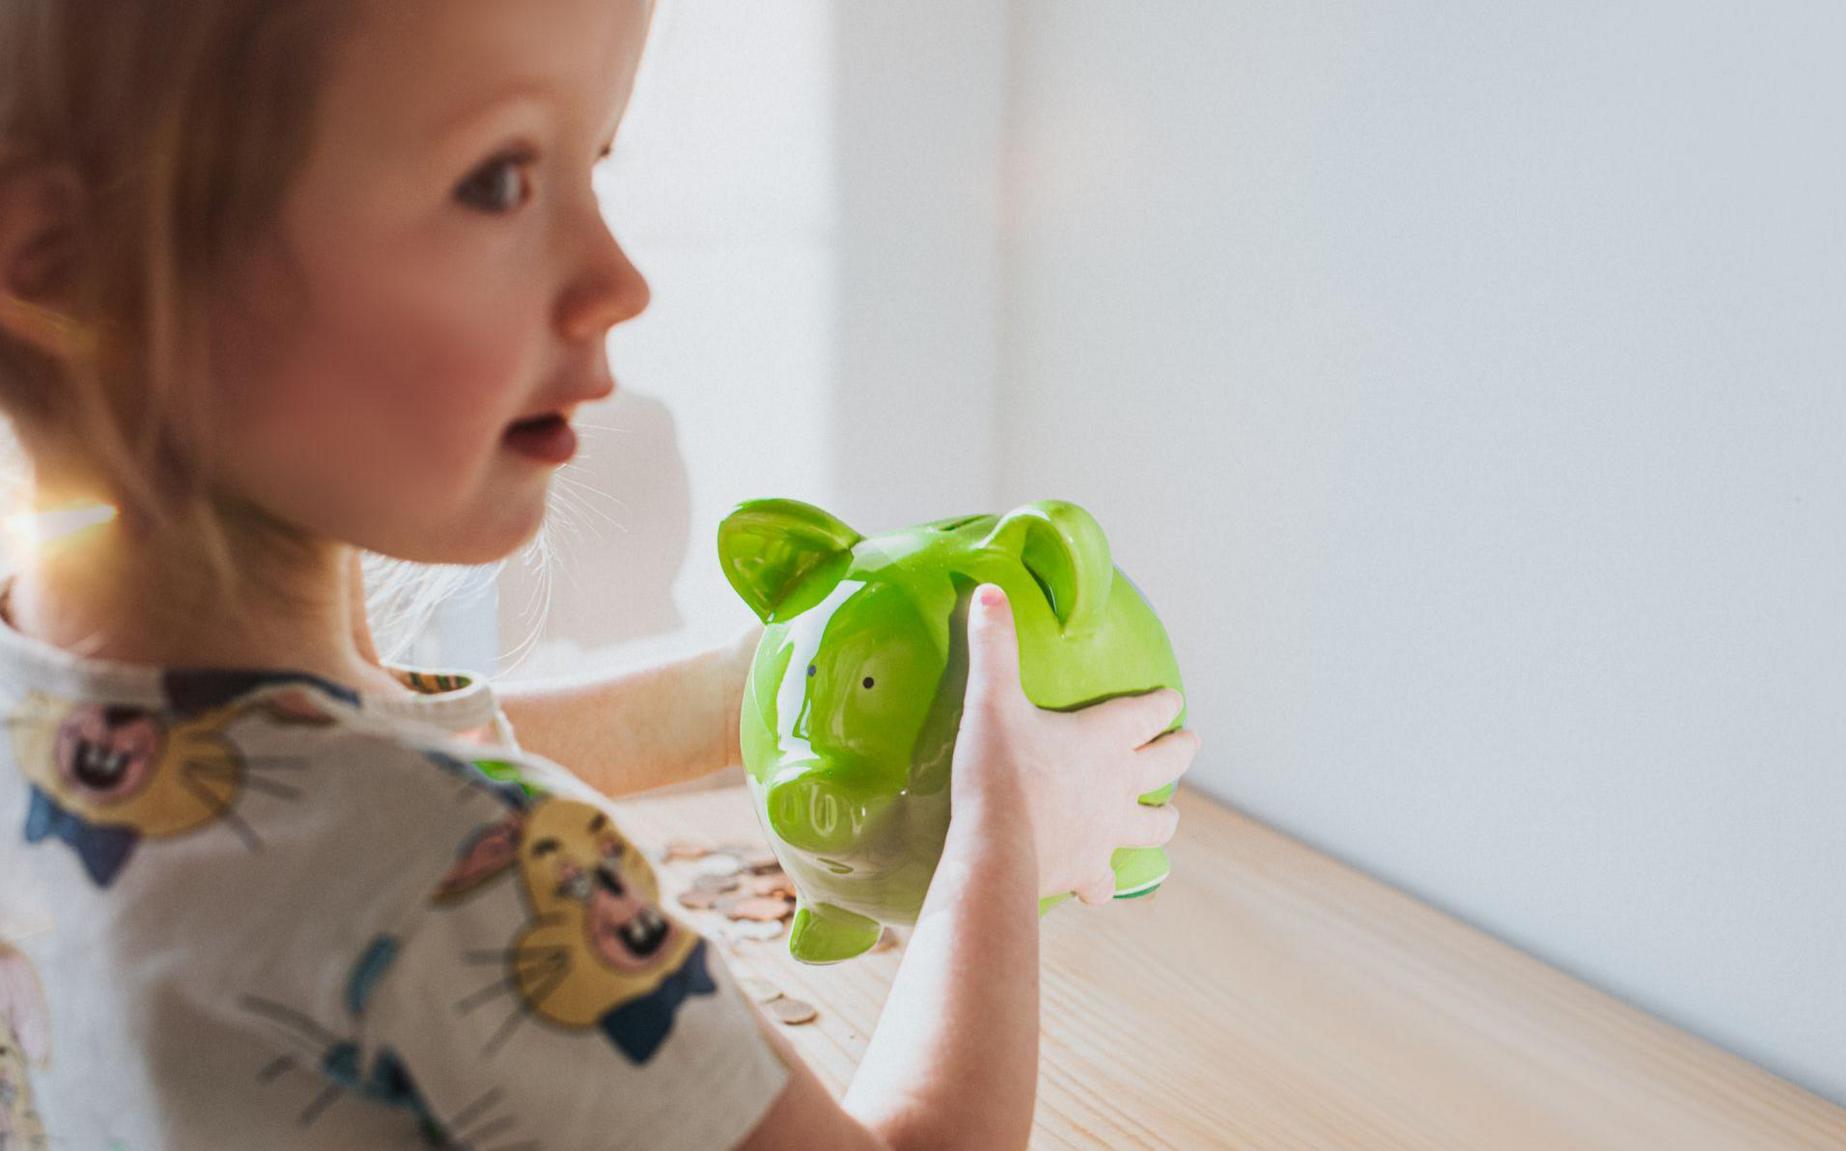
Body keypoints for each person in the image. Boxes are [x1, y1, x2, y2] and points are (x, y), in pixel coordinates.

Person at [0, 1, 1201, 1148]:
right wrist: (1005, 836)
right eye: (499, 179)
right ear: (70, 267)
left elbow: (310, 772)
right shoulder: (471, 878)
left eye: (598, 159)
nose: (620, 278)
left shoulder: (58, 711)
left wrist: (775, 687)